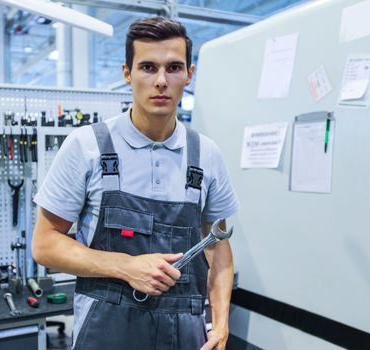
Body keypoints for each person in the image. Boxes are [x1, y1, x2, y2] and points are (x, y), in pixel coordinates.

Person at [32, 16, 239, 350]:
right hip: (106, 334)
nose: (161, 81)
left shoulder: (206, 155)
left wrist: (220, 324)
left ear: (189, 74)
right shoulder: (87, 147)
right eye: (147, 67)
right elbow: (44, 245)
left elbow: (217, 247)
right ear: (127, 73)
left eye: (173, 68)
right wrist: (127, 266)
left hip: (185, 334)